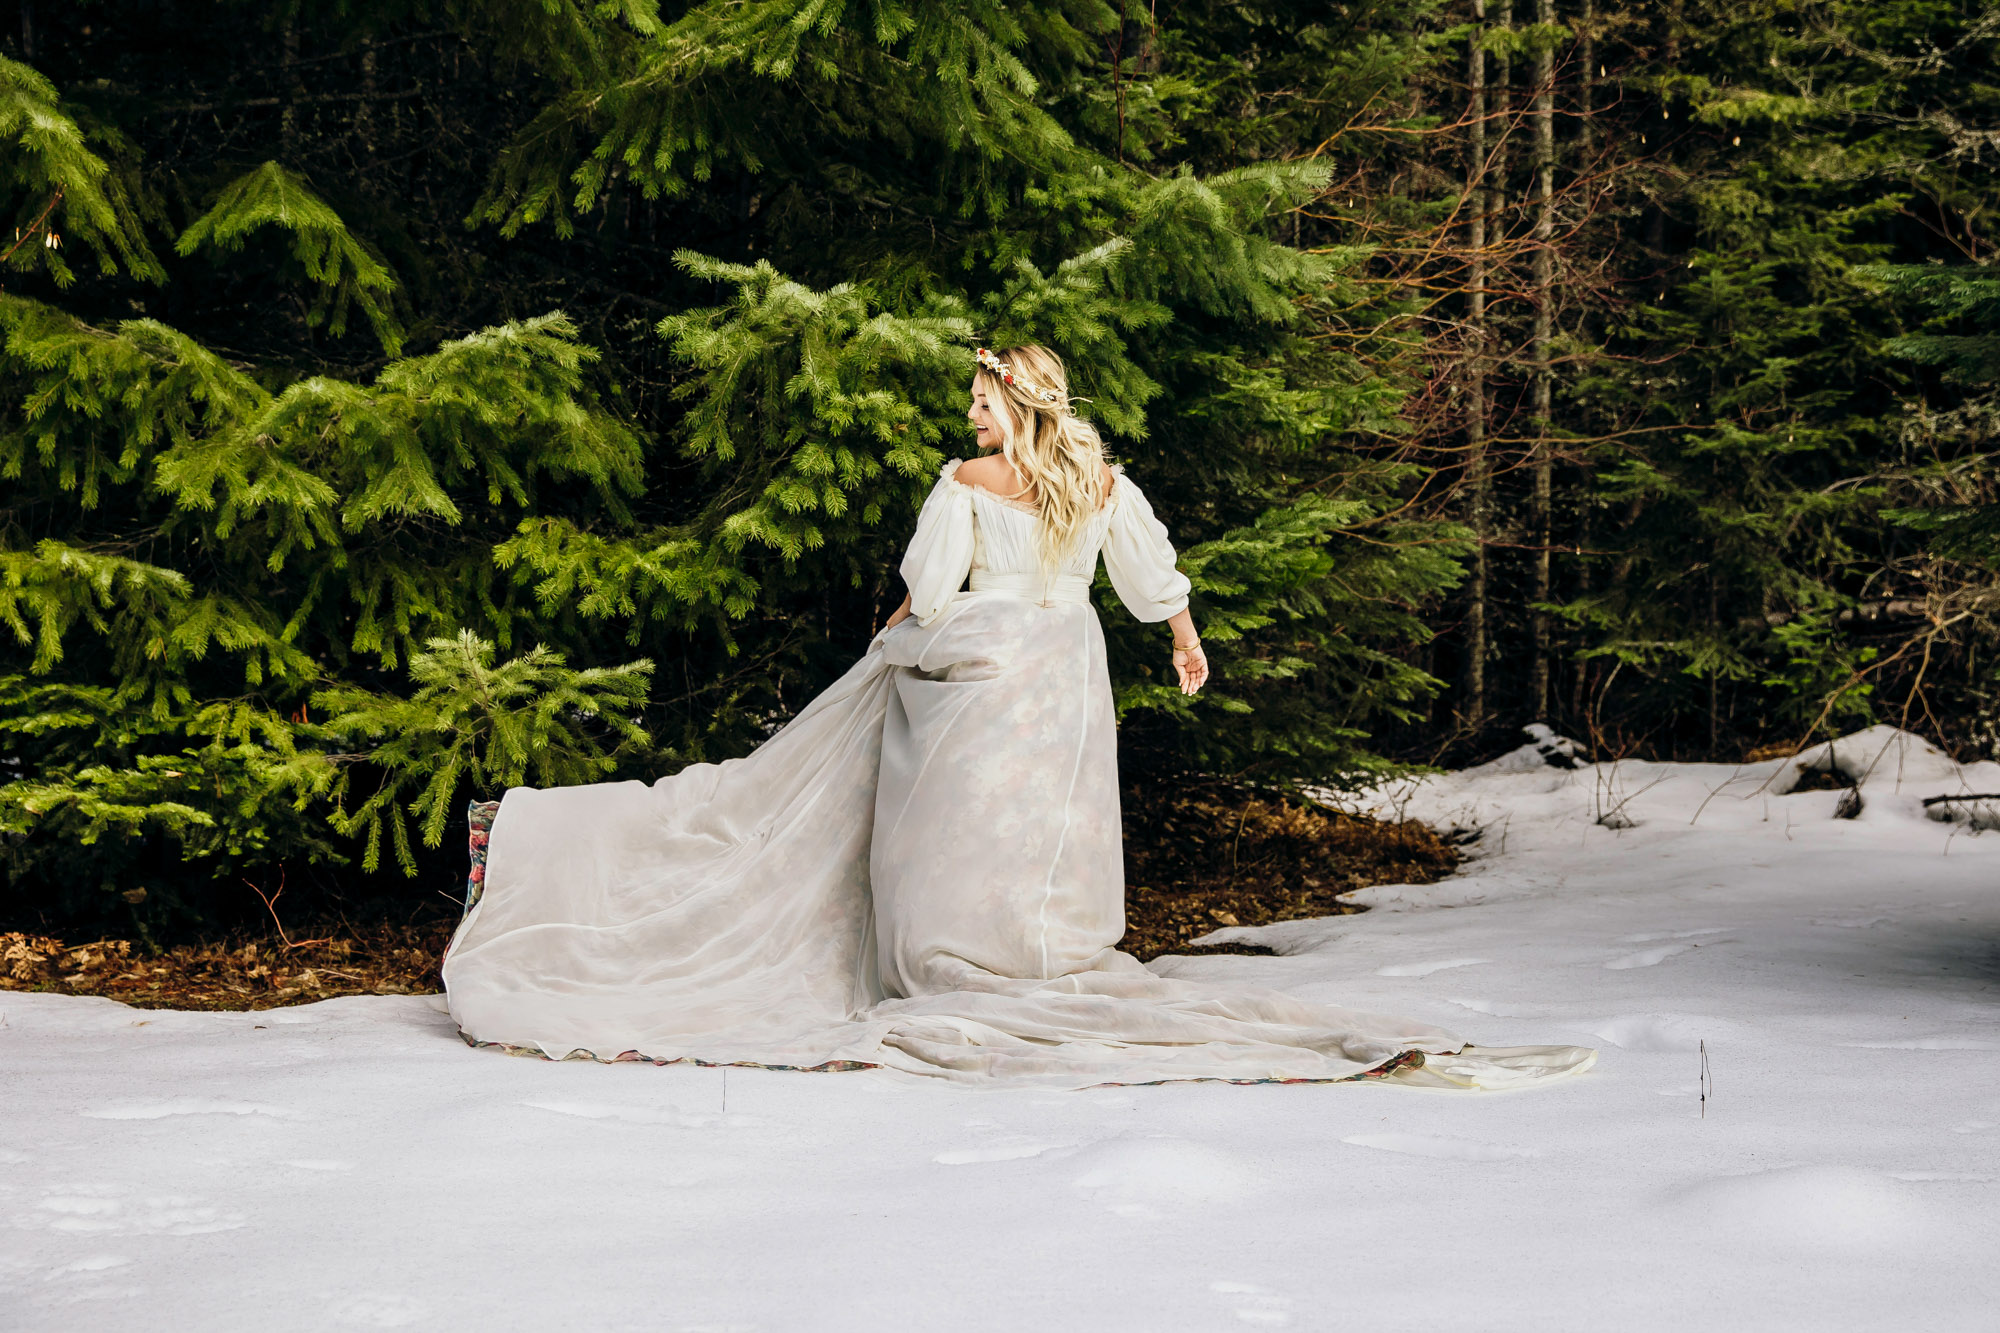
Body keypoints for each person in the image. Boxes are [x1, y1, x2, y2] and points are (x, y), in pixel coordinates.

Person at [442, 345, 1595, 1089]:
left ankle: (921, 952)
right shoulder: (1100, 483)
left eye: (980, 397)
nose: (968, 412)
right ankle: (1024, 959)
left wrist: (893, 627)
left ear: (1014, 403)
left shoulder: (963, 484)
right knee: (1041, 834)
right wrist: (1186, 642)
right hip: (1063, 674)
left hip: (980, 664)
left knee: (889, 817)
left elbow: (931, 589)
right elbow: (1150, 586)